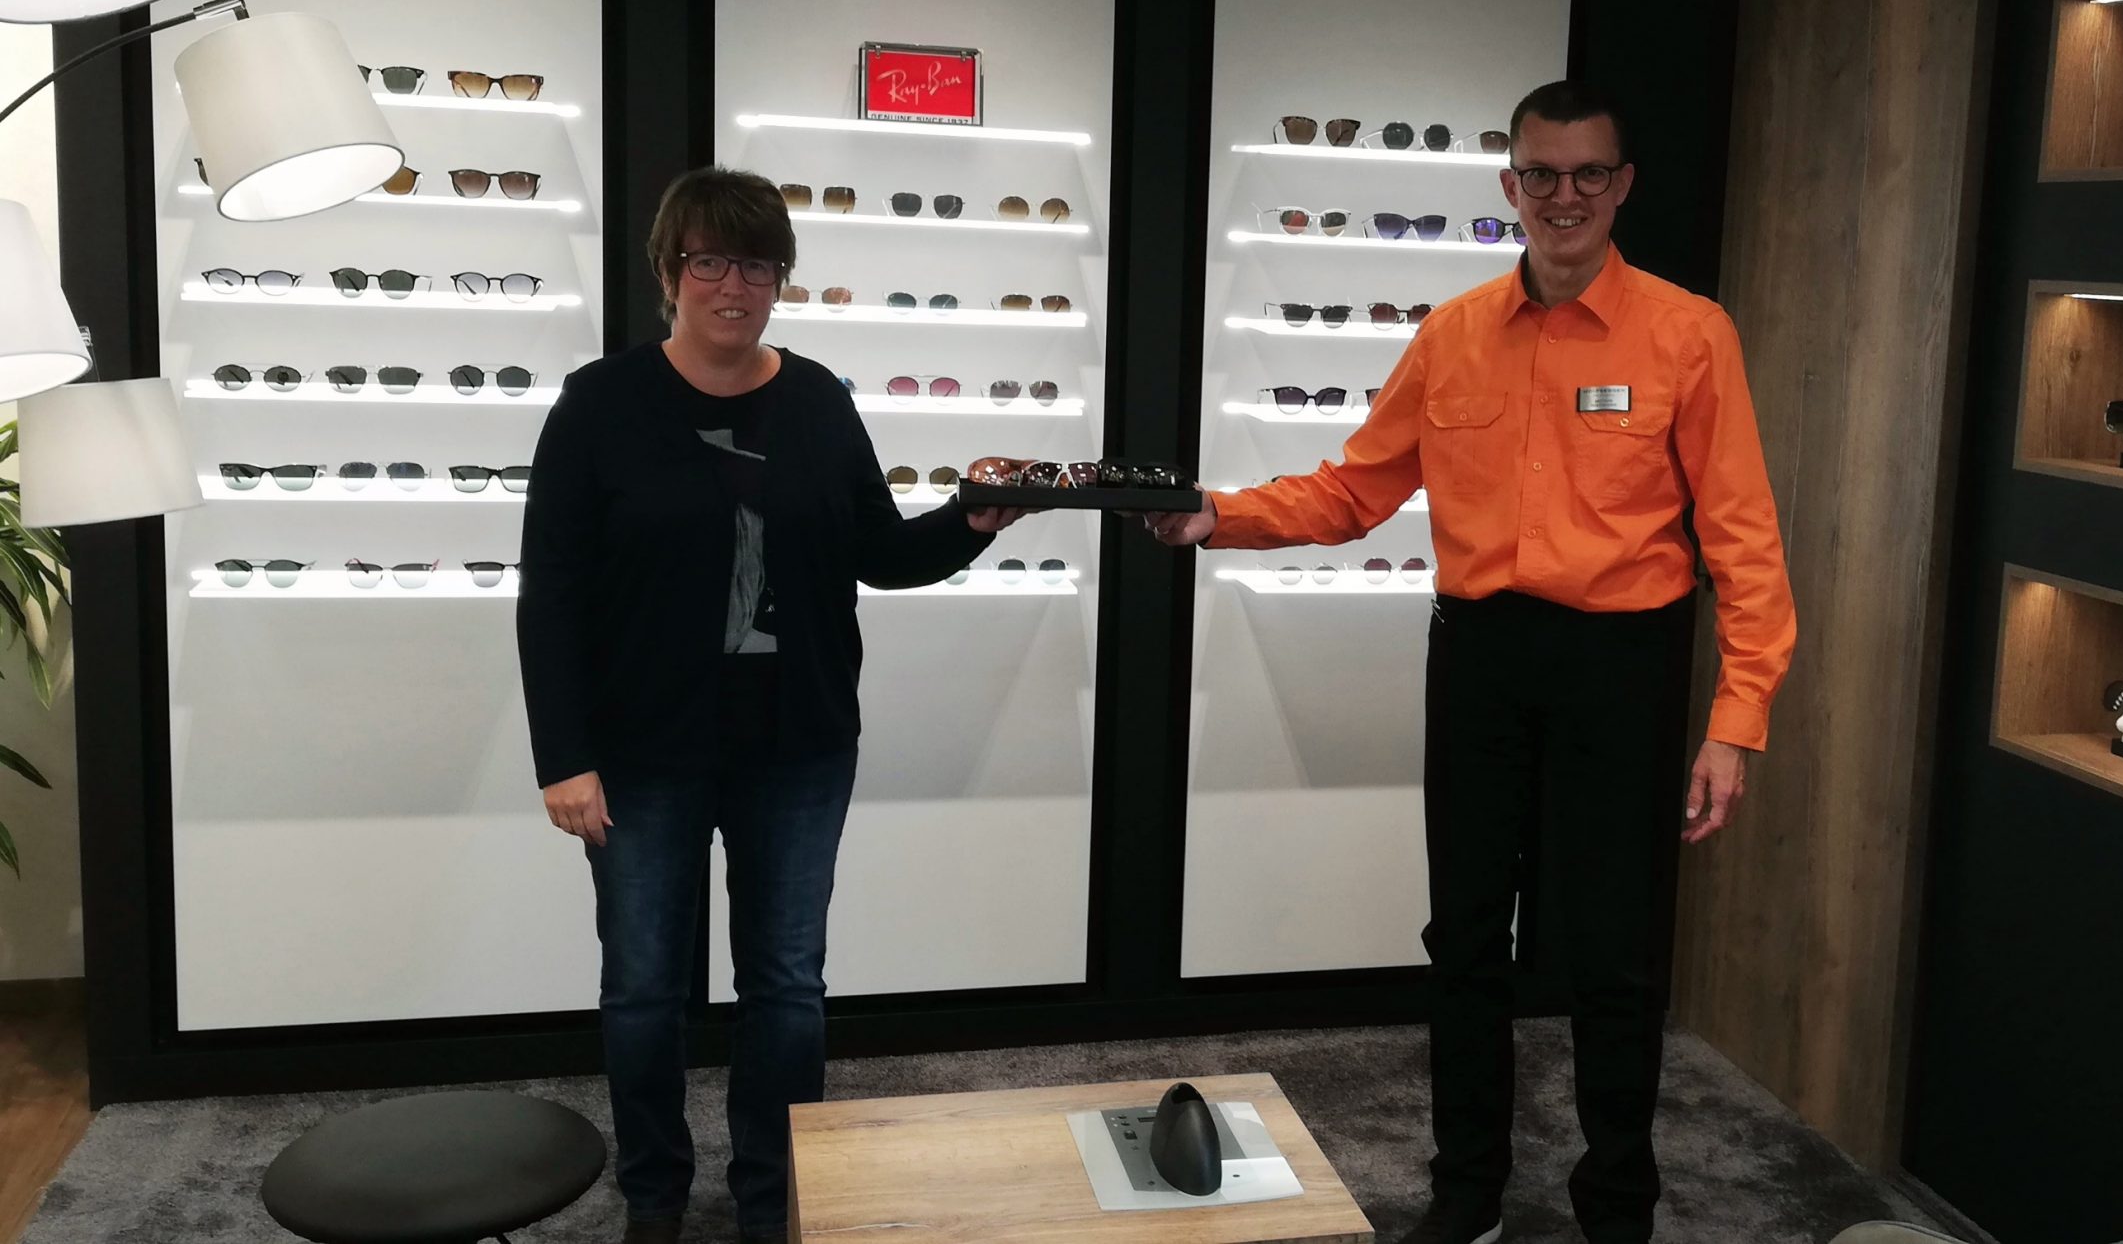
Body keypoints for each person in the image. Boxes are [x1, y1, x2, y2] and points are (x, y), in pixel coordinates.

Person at [1147, 80, 1797, 1244]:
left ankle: (1618, 1205)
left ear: (1622, 185)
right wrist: (1220, 514)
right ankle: (1468, 1190)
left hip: (1621, 664)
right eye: (1540, 174)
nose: (1563, 196)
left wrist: (1734, 718)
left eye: (1587, 174)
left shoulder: (1688, 333)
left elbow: (1743, 538)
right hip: (1481, 658)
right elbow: (1354, 490)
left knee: (1615, 951)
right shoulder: (1451, 334)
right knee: (1463, 939)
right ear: (1509, 184)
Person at [515, 167, 1027, 1244]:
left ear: (780, 279)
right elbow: (550, 591)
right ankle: (655, 1195)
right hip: (642, 749)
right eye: (709, 260)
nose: (733, 286)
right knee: (643, 987)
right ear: (669, 272)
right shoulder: (600, 403)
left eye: (757, 264)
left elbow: (880, 552)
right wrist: (562, 754)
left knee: (787, 984)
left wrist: (971, 521)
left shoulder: (820, 400)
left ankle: (772, 1195)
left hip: (796, 744)